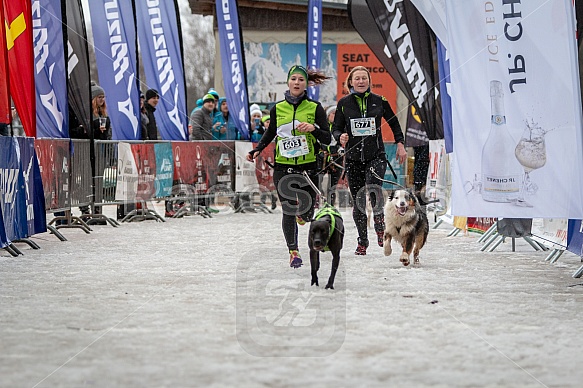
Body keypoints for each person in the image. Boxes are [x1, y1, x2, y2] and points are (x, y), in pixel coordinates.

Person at [247, 65, 331, 268]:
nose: (296, 82)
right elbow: (271, 132)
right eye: (293, 79)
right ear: (288, 82)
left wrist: (314, 128)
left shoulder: (315, 108)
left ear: (306, 84)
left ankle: (305, 215)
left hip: (308, 167)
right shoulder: (278, 108)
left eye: (301, 80)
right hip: (283, 167)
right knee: (288, 210)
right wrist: (257, 149)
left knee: (308, 212)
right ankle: (293, 251)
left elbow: (328, 138)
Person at [332, 65, 407, 256]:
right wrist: (340, 136)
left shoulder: (379, 101)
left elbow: (394, 122)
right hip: (354, 159)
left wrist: (400, 143)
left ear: (369, 81)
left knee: (374, 189)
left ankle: (380, 225)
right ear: (350, 82)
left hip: (376, 156)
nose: (360, 81)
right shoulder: (343, 103)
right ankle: (362, 241)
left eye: (364, 78)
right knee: (358, 201)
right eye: (357, 78)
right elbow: (336, 128)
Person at [318, 105, 343, 207]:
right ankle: (316, 202)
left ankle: (330, 206)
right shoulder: (322, 126)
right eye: (333, 113)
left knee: (332, 186)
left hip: (336, 158)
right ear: (328, 115)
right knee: (317, 182)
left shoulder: (342, 127)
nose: (335, 115)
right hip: (322, 158)